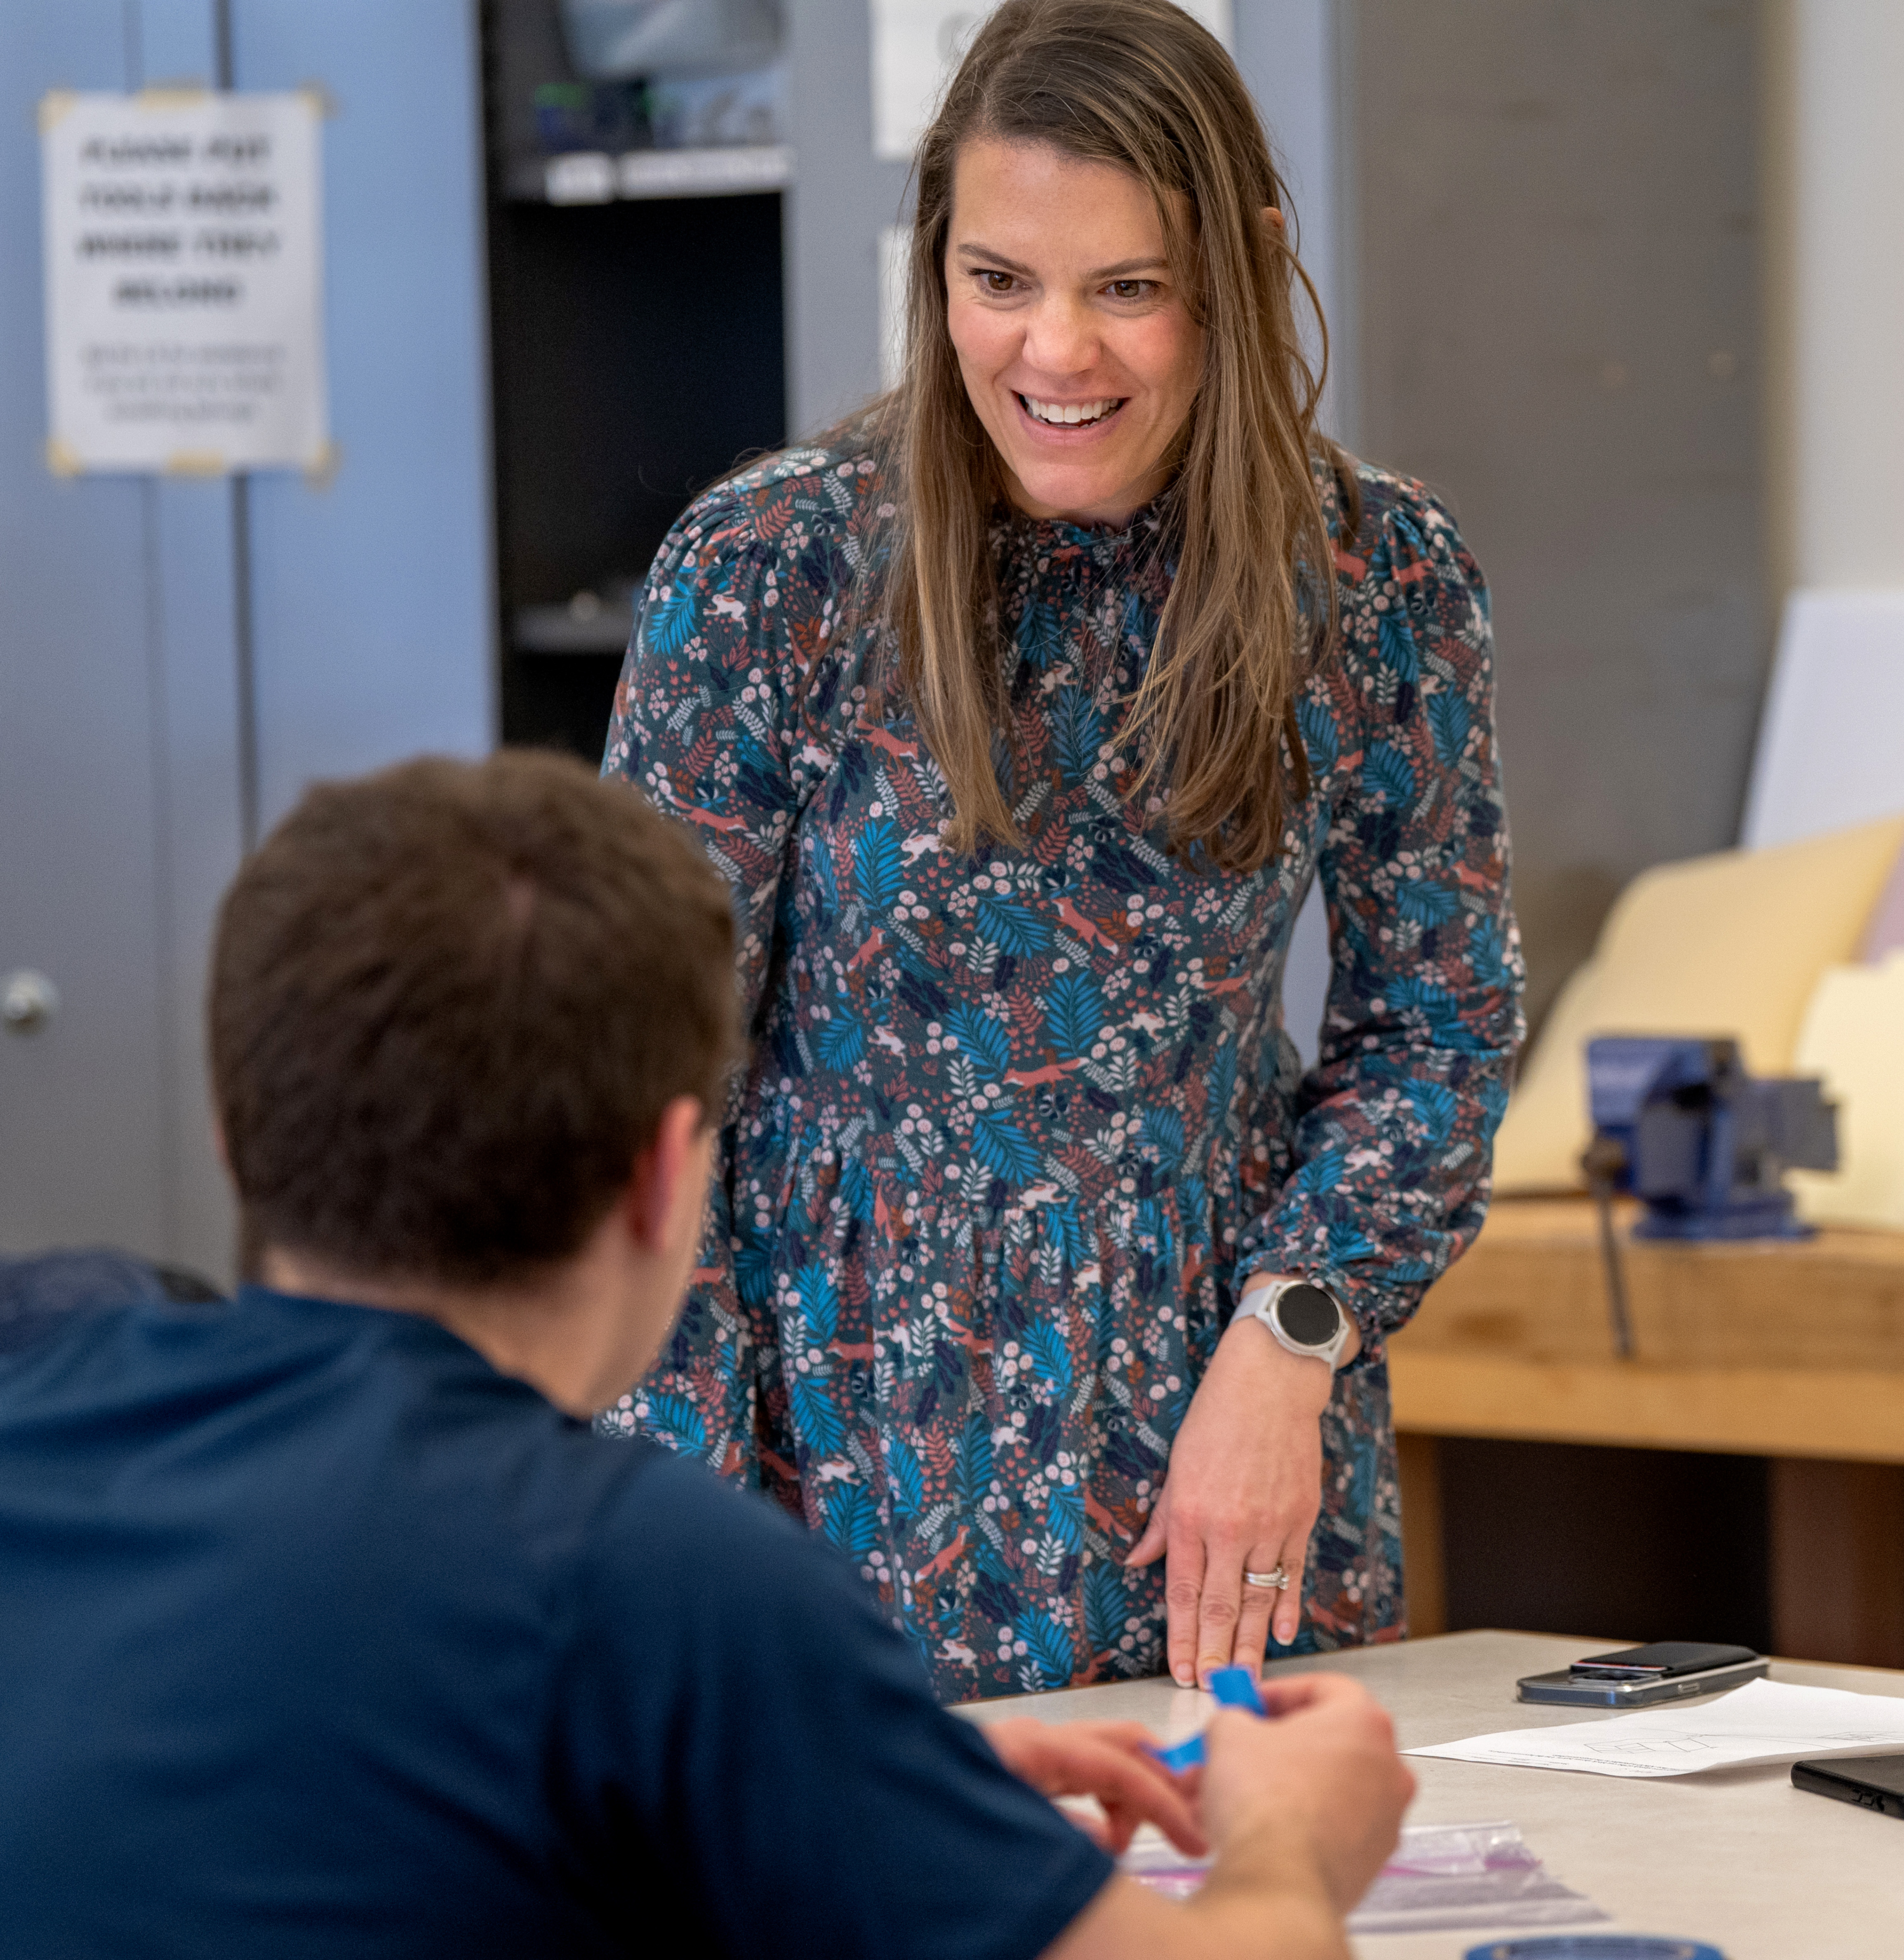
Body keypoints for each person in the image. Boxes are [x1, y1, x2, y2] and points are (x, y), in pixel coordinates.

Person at [0, 751, 1415, 1959]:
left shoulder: (50, 1369)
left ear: (234, 1134)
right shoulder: (656, 1585)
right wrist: (1290, 1839)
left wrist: (836, 1770)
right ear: (668, 1175)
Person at [603, 0, 1522, 1699]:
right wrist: (688, 1541)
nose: (1055, 351)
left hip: (1223, 1468)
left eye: (1128, 287)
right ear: (936, 265)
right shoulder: (772, 571)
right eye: (1000, 279)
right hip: (833, 1472)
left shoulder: (1377, 579)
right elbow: (637, 1093)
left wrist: (1292, 1339)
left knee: (1255, 1866)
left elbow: (1439, 1025)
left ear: (1240, 272)